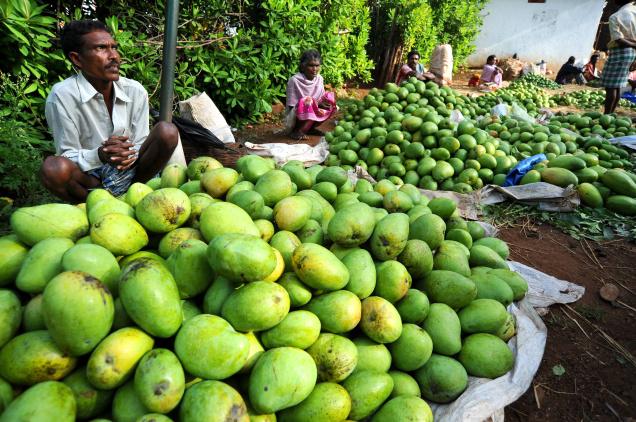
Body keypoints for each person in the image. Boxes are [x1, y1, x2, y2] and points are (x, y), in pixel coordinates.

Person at [41, 20, 178, 203]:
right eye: (101, 48)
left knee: (167, 132)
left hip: (134, 172)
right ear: (77, 59)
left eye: (114, 47)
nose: (113, 56)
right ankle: (97, 204)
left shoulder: (135, 91)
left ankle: (133, 197)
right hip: (91, 177)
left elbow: (141, 142)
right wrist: (100, 154)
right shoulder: (62, 96)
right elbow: (68, 154)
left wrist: (125, 153)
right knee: (53, 168)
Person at [285, 49, 337, 141]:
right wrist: (314, 104)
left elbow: (321, 99)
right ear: (303, 66)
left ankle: (310, 129)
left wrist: (323, 104)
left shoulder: (319, 79)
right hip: (295, 118)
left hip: (312, 110)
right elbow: (291, 106)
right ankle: (297, 131)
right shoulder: (294, 80)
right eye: (311, 65)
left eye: (317, 65)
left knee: (332, 105)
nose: (314, 69)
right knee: (308, 102)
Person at [601, 0, 636, 114]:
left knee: (610, 87)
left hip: (619, 53)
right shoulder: (634, 11)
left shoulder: (615, 16)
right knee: (618, 86)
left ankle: (607, 115)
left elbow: (618, 40)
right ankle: (611, 114)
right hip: (631, 53)